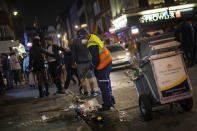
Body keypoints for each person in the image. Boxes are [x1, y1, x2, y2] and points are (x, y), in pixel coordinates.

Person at [77, 28, 115, 111]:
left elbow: (96, 59)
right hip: (107, 60)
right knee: (106, 82)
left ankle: (107, 105)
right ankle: (111, 101)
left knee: (103, 84)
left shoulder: (91, 43)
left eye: (82, 37)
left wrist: (92, 65)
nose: (82, 39)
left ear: (86, 35)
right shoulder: (93, 37)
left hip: (103, 63)